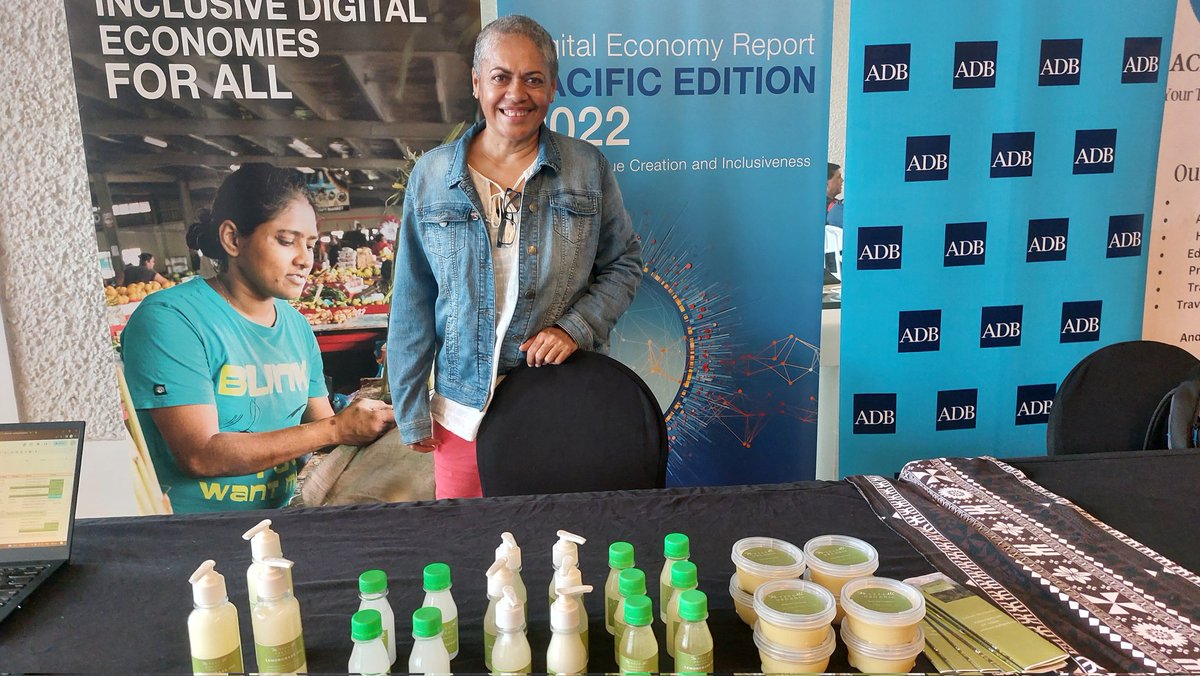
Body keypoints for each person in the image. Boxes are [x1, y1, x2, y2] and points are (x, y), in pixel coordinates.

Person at [387, 15, 643, 499]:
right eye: (501, 77)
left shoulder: (587, 168)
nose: (516, 93)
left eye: (533, 78)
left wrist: (576, 327)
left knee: (558, 549)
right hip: (464, 412)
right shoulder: (433, 175)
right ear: (477, 82)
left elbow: (624, 263)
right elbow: (412, 299)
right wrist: (410, 403)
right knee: (469, 550)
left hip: (559, 404)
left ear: (552, 87)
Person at [121, 163, 394, 512]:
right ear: (233, 239)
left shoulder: (295, 327)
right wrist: (338, 428)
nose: (304, 259)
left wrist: (384, 418)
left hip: (276, 524)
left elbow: (321, 423)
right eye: (286, 240)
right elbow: (200, 455)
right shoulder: (171, 320)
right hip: (193, 536)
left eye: (310, 245)